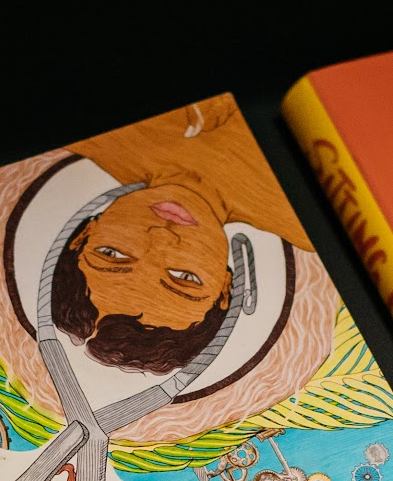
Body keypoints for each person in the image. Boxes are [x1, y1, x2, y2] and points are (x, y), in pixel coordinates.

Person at [50, 98, 315, 375]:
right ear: (225, 287)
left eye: (113, 254)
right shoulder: (306, 219)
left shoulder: (94, 133)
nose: (161, 239)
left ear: (84, 235)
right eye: (184, 278)